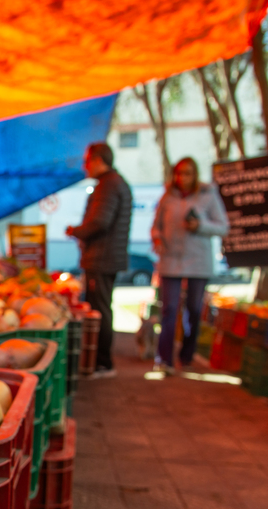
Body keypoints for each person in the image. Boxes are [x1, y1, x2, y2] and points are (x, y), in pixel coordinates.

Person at [150, 157, 229, 373]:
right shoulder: (167, 197)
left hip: (198, 260)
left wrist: (200, 225)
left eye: (186, 173)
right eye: (178, 173)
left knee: (194, 308)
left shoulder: (207, 195)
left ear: (194, 175)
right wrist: (157, 238)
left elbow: (223, 227)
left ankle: (186, 354)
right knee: (169, 308)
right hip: (170, 259)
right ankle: (164, 358)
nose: (182, 178)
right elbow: (155, 225)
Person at [66, 143, 133, 379]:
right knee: (101, 308)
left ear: (96, 160)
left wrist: (77, 231)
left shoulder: (108, 185)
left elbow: (100, 222)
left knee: (99, 310)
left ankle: (102, 362)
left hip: (102, 258)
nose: (85, 167)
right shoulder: (113, 183)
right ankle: (100, 361)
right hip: (106, 257)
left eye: (86, 162)